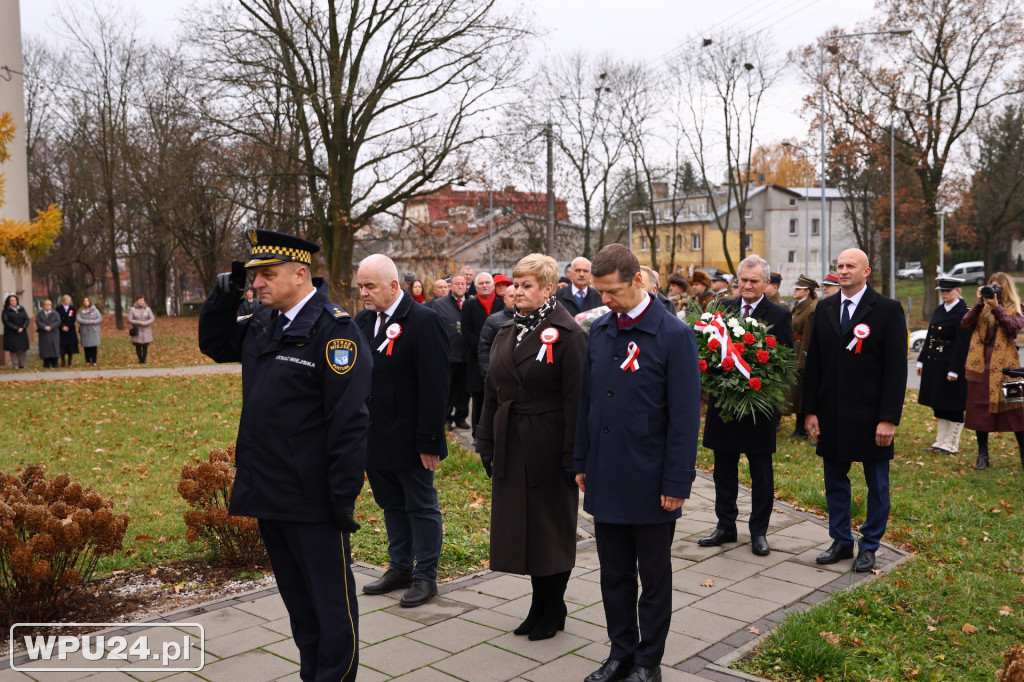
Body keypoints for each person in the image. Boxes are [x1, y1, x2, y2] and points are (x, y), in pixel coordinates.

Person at [199, 229, 370, 682]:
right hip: (269, 490)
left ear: (300, 274)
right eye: (254, 277)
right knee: (298, 603)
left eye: (266, 275)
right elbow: (215, 345)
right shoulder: (263, 323)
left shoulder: (335, 332)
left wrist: (341, 495)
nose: (257, 285)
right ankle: (311, 674)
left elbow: (350, 422)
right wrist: (223, 298)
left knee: (331, 606)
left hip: (313, 498)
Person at [574, 244, 701, 682]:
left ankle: (648, 662)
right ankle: (620, 653)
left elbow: (685, 418)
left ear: (639, 281)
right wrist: (581, 459)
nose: (604, 300)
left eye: (612, 291)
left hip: (651, 479)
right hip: (606, 473)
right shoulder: (602, 331)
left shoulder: (673, 335)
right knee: (613, 575)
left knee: (653, 578)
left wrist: (678, 481)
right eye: (599, 292)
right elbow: (587, 403)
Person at [476, 253, 587, 641]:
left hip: (549, 441)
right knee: (522, 529)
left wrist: (573, 456)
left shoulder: (569, 333)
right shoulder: (508, 330)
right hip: (512, 440)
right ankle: (540, 606)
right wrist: (486, 441)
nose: (516, 292)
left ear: (548, 289)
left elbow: (577, 400)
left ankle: (552, 606)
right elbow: (493, 390)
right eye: (515, 285)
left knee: (550, 530)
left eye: (526, 286)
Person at [355, 254, 450, 608]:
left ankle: (425, 575)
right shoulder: (363, 321)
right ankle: (399, 567)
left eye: (370, 286)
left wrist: (430, 440)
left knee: (421, 506)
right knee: (391, 504)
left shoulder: (425, 321)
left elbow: (436, 387)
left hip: (412, 439)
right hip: (374, 436)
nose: (363, 293)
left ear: (393, 286)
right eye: (361, 286)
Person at [803, 248, 907, 573]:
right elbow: (814, 363)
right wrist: (809, 411)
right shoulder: (825, 308)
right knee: (835, 480)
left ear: (867, 271)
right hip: (831, 415)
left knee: (877, 485)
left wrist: (889, 418)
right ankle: (841, 540)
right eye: (839, 266)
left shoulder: (887, 310)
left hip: (872, 418)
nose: (843, 270)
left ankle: (870, 545)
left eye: (850, 266)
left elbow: (896, 370)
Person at [699, 255, 794, 557]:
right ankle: (725, 525)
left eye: (755, 281)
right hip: (725, 404)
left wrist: (757, 381)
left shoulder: (779, 315)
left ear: (767, 283)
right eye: (744, 280)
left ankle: (759, 532)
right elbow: (705, 348)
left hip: (758, 405)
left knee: (761, 472)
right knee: (723, 469)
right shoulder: (720, 309)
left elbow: (786, 361)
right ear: (737, 281)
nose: (748, 286)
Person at [961, 272, 1024, 470]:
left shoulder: (1016, 309)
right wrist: (980, 303)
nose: (994, 291)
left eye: (998, 288)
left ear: (1006, 290)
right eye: (991, 286)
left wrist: (997, 307)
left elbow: (1013, 328)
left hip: (1007, 369)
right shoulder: (982, 309)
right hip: (980, 368)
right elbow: (965, 324)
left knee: (1017, 413)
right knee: (980, 412)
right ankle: (983, 455)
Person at [916, 277, 970, 455]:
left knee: (953, 405)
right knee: (939, 403)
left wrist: (955, 370)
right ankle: (941, 442)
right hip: (935, 364)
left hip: (951, 365)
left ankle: (951, 444)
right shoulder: (940, 309)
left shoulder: (963, 312)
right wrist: (921, 360)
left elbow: (962, 345)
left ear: (958, 291)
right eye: (942, 291)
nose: (944, 293)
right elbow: (931, 337)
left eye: (948, 290)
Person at [462, 272, 505, 440]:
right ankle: (476, 434)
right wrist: (481, 347)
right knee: (479, 398)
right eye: (481, 283)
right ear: (476, 286)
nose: (485, 285)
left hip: (500, 357)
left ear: (493, 286)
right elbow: (466, 331)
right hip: (476, 359)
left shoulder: (501, 303)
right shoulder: (469, 305)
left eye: (488, 282)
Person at [428, 274, 470, 429]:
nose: (460, 286)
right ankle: (446, 417)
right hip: (449, 353)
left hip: (466, 354)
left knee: (464, 389)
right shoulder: (439, 304)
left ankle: (461, 417)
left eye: (462, 284)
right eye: (456, 284)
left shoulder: (471, 302)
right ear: (451, 286)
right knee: (448, 388)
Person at [785, 275, 819, 440]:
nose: (795, 291)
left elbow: (808, 337)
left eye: (798, 289)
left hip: (800, 353)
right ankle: (799, 428)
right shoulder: (799, 307)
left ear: (807, 291)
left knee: (801, 393)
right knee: (795, 392)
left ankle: (802, 429)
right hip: (794, 351)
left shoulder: (810, 310)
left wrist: (803, 359)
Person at [478, 283, 516, 377]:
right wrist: (486, 372)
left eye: (517, 296)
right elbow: (484, 348)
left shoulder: (530, 318)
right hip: (500, 373)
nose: (514, 299)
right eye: (511, 296)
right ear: (504, 299)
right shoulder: (493, 320)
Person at [2, 295, 29, 369]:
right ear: (9, 302)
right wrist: (16, 328)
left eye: (15, 300)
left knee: (23, 349)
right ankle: (15, 364)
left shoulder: (21, 309)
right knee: (14, 349)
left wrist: (23, 327)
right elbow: (6, 322)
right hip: (12, 333)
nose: (14, 302)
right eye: (12, 300)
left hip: (22, 332)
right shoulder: (6, 311)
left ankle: (22, 364)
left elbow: (27, 319)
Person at [127, 296, 155, 364]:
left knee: (145, 345)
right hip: (137, 330)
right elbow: (130, 319)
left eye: (142, 300)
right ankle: (140, 359)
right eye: (140, 300)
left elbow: (152, 319)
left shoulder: (148, 309)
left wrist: (145, 323)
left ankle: (144, 359)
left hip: (146, 330)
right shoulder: (132, 309)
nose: (141, 301)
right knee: (138, 345)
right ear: (137, 301)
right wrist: (138, 323)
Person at [77, 297, 102, 367]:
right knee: (86, 347)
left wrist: (93, 321)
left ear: (89, 302)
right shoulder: (80, 310)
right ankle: (87, 361)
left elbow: (100, 318)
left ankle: (94, 361)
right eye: (84, 301)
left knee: (94, 347)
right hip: (84, 331)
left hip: (93, 331)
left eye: (87, 301)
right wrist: (87, 322)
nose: (86, 302)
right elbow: (78, 319)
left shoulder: (95, 310)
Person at [35, 300, 60, 369]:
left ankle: (54, 364)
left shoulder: (55, 313)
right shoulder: (40, 314)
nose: (48, 306)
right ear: (43, 306)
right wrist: (45, 327)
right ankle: (46, 364)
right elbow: (38, 322)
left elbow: (58, 321)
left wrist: (51, 327)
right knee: (45, 349)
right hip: (44, 333)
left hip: (53, 333)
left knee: (54, 348)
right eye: (47, 305)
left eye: (50, 305)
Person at [57, 294, 79, 368]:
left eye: (69, 300)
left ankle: (70, 362)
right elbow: (57, 318)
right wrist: (62, 326)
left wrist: (68, 326)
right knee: (62, 346)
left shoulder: (72, 308)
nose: (68, 301)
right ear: (63, 300)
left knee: (70, 346)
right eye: (67, 300)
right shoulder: (59, 308)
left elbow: (73, 318)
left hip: (70, 330)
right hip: (62, 330)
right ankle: (63, 361)